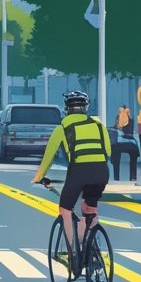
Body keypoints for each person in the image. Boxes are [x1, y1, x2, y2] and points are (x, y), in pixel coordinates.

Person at [32, 91, 111, 267]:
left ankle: (73, 253)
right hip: (101, 171)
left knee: (65, 209)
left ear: (67, 108)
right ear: (85, 108)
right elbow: (108, 151)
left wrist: (39, 177)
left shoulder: (62, 128)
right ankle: (91, 249)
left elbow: (48, 157)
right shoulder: (99, 126)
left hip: (79, 171)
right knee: (90, 208)